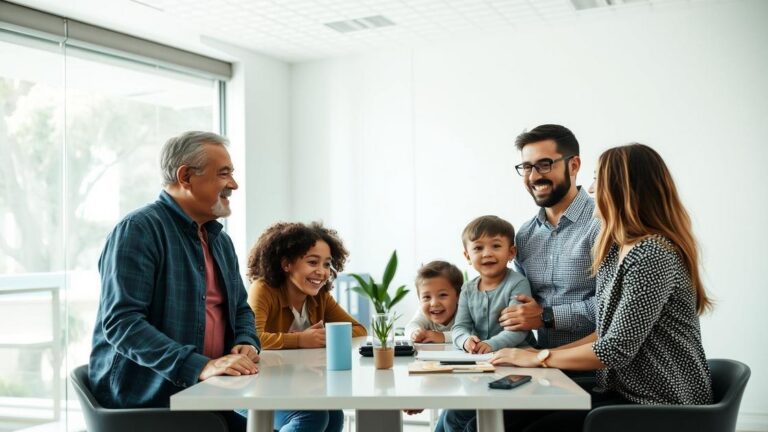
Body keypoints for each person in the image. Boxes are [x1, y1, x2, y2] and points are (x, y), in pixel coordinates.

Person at [485, 143, 713, 431]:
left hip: (660, 402)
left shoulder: (651, 254)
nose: (591, 190)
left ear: (622, 190)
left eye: (598, 180)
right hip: (622, 393)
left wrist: (541, 359)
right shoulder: (616, 250)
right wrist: (534, 357)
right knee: (508, 416)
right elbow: (606, 331)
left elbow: (615, 349)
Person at [88, 131, 260, 432]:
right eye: (224, 174)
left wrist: (245, 342)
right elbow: (122, 324)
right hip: (151, 401)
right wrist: (200, 365)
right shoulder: (138, 230)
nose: (233, 184)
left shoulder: (220, 241)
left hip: (212, 393)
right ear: (185, 176)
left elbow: (240, 309)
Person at [443, 124, 599, 432]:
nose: (534, 176)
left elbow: (614, 312)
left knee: (478, 424)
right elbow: (516, 309)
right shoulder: (525, 235)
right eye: (527, 167)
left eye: (544, 164)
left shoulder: (603, 226)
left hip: (588, 372)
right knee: (454, 414)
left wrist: (546, 316)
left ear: (574, 165)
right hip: (538, 367)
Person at [245, 221, 366, 432]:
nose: (322, 272)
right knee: (312, 415)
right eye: (313, 262)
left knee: (334, 414)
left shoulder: (320, 297)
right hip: (255, 387)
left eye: (327, 264)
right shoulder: (263, 289)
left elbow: (358, 330)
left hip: (295, 385)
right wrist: (300, 340)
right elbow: (253, 337)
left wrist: (323, 337)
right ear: (286, 264)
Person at [452, 216, 536, 354]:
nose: (487, 253)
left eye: (496, 246)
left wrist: (491, 344)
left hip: (520, 355)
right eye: (478, 248)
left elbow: (519, 329)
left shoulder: (518, 283)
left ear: (511, 253)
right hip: (481, 356)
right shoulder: (467, 289)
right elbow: (459, 327)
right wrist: (465, 341)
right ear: (467, 256)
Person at [405, 260, 464, 344]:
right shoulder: (424, 313)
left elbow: (471, 333)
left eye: (443, 295)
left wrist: (442, 336)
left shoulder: (463, 311)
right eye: (427, 297)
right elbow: (411, 326)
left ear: (458, 296)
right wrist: (415, 333)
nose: (434, 303)